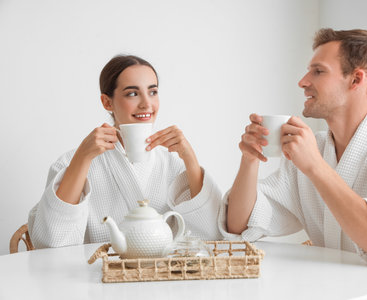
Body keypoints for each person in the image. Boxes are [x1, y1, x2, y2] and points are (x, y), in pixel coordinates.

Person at [219, 28, 367, 299]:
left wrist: (315, 166)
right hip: (337, 291)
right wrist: (250, 160)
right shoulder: (316, 148)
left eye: (318, 71)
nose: (302, 81)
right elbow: (240, 225)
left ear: (356, 79)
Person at [29, 55, 222, 248]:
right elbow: (51, 240)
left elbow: (210, 234)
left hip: (162, 275)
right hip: (93, 274)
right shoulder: (72, 161)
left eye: (153, 92)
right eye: (132, 94)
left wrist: (190, 159)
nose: (147, 104)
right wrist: (83, 157)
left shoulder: (173, 163)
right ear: (107, 102)